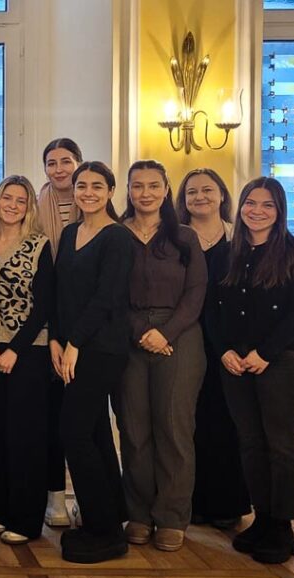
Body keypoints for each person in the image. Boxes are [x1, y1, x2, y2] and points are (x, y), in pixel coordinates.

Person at [207, 176, 294, 565]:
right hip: (235, 364)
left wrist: (264, 353)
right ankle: (263, 518)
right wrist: (224, 353)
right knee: (250, 443)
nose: (257, 211)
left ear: (279, 210)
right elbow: (212, 311)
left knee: (282, 446)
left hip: (279, 364)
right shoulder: (228, 255)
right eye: (251, 203)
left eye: (267, 205)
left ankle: (283, 527)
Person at [115, 160, 207, 552]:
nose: (146, 193)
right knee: (134, 429)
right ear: (129, 191)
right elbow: (110, 293)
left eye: (154, 185)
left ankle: (171, 517)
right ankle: (138, 513)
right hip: (129, 334)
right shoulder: (115, 235)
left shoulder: (184, 236)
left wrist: (164, 333)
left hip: (180, 335)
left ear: (166, 189)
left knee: (173, 428)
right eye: (138, 186)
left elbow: (196, 293)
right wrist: (141, 332)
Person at [51, 161, 134, 564]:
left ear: (110, 191)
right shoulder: (70, 233)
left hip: (101, 348)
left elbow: (107, 297)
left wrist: (75, 344)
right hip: (70, 345)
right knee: (96, 432)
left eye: (96, 186)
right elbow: (61, 293)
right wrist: (56, 338)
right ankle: (112, 515)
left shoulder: (118, 237)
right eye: (82, 185)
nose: (87, 192)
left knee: (73, 433)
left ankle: (103, 532)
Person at [0, 175, 54, 546]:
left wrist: (14, 350)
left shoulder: (40, 245)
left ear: (29, 208)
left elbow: (44, 307)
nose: (12, 205)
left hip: (28, 351)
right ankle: (3, 510)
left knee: (25, 437)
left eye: (21, 201)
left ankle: (27, 518)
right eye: (7, 198)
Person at [177, 168, 249, 528]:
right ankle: (189, 502)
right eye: (192, 192)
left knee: (227, 421)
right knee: (187, 423)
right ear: (182, 199)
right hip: (185, 338)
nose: (200, 197)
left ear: (222, 195)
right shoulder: (174, 237)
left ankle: (226, 505)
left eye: (208, 190)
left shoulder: (240, 238)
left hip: (229, 344)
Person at [33, 138, 82, 527]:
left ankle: (86, 493)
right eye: (52, 163)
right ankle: (54, 497)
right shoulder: (35, 208)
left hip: (91, 331)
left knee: (86, 419)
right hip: (48, 326)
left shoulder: (100, 208)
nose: (60, 169)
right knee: (49, 418)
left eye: (67, 161)